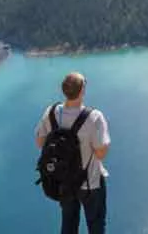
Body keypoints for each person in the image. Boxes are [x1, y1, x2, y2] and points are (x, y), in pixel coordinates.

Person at [35, 72, 111, 234]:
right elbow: (100, 153)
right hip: (90, 183)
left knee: (68, 223)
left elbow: (40, 142)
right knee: (96, 224)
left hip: (64, 182)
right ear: (82, 90)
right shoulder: (94, 117)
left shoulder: (51, 112)